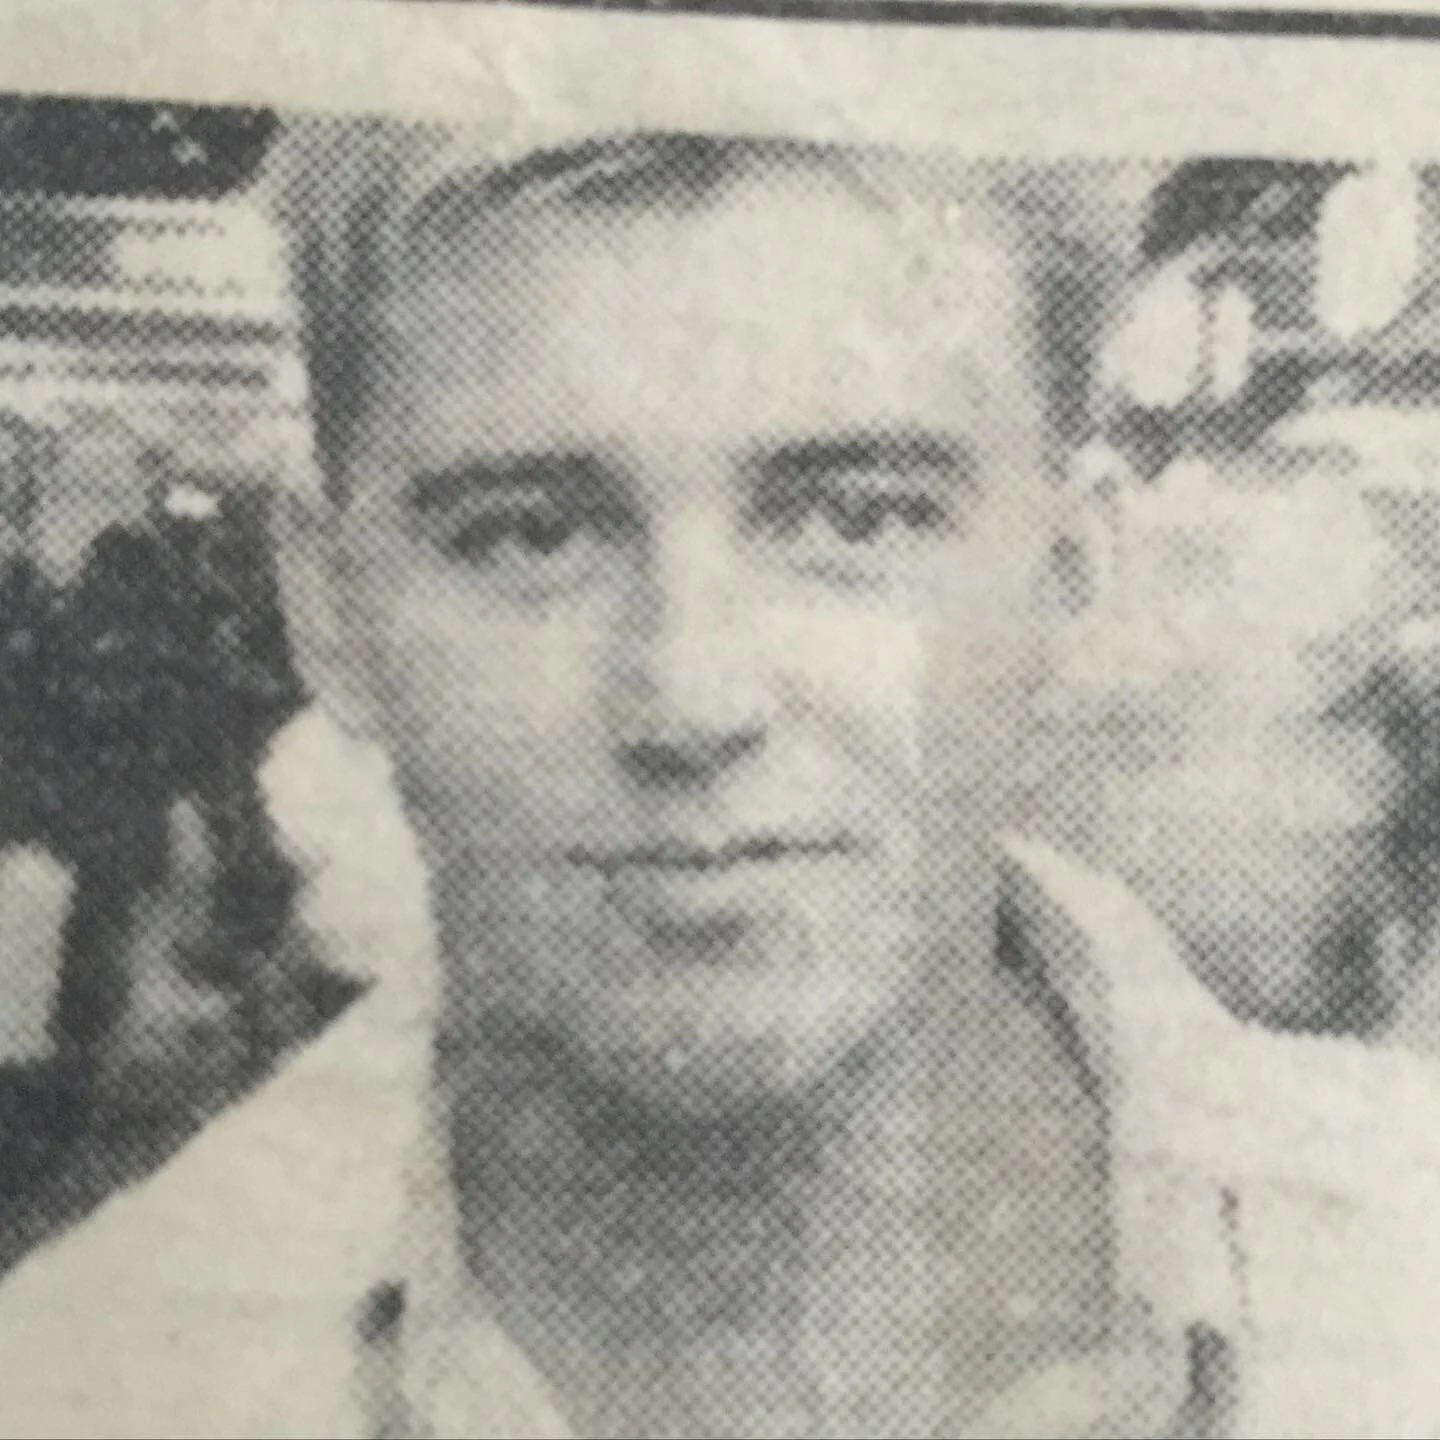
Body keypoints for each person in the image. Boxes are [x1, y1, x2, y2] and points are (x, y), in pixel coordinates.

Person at [5, 120, 1440, 1440]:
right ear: (329, 610)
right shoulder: (89, 1381)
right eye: (528, 536)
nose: (692, 698)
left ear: (1067, 582)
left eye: (856, 516)